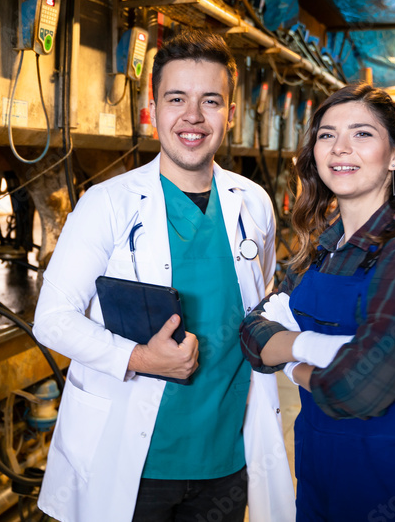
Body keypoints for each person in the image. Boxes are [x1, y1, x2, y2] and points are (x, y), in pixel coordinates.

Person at [32, 31, 295, 522]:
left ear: (230, 114)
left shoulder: (253, 204)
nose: (192, 116)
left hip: (225, 458)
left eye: (210, 100)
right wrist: (139, 358)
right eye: (176, 99)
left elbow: (256, 307)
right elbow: (51, 319)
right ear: (152, 110)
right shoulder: (106, 204)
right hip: (130, 461)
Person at [239, 83, 395, 521]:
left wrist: (288, 357)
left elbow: (358, 388)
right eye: (327, 135)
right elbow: (251, 333)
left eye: (362, 133)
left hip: (393, 489)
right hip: (320, 477)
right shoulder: (322, 250)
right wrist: (315, 351)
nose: (340, 147)